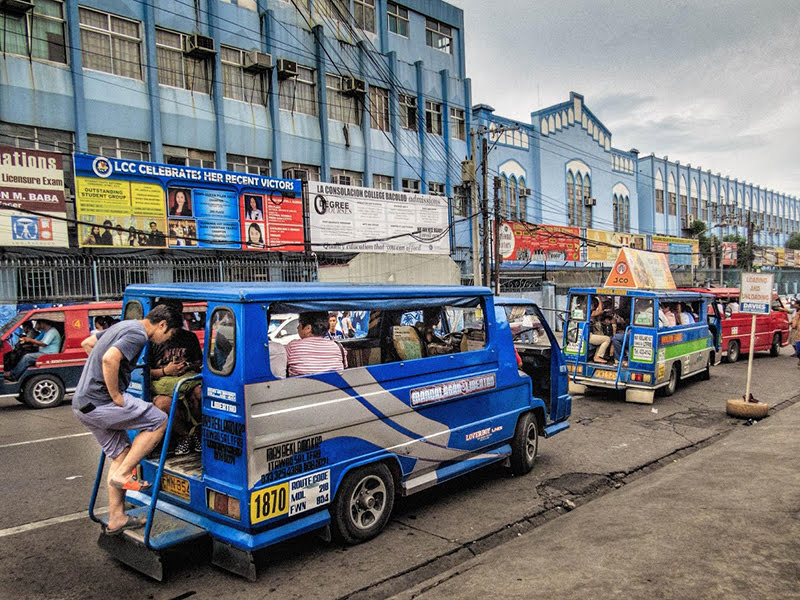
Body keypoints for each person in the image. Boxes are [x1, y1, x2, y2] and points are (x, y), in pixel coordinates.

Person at [73, 304, 182, 536]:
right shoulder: (137, 334)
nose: (165, 340)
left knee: (122, 454)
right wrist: (114, 394)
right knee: (159, 420)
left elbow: (89, 344)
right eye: (169, 334)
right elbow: (110, 359)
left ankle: (117, 518)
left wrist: (99, 377)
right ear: (162, 325)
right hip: (101, 403)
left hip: (83, 404)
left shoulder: (125, 325)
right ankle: (124, 475)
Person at [148, 301, 203, 455]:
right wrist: (166, 371)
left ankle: (199, 431)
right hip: (164, 385)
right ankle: (186, 436)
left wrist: (187, 366)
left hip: (187, 380)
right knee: (162, 404)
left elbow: (199, 363)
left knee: (200, 392)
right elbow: (144, 372)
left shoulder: (189, 337)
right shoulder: (152, 342)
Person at [286, 311, 347, 377]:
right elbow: (344, 367)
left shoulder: (293, 347)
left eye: (299, 325)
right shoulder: (337, 347)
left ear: (308, 328)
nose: (297, 328)